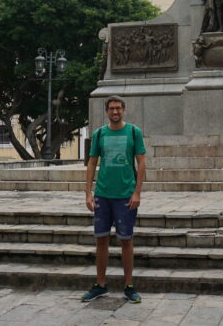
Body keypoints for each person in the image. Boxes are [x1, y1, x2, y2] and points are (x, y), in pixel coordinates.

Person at [82, 96, 147, 303]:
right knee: (101, 240)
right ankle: (100, 284)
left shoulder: (134, 132)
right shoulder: (99, 133)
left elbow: (142, 163)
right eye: (111, 108)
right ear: (107, 111)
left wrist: (137, 192)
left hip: (125, 195)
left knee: (126, 240)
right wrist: (88, 192)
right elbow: (92, 164)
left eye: (118, 108)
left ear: (124, 110)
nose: (115, 111)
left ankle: (128, 285)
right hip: (103, 194)